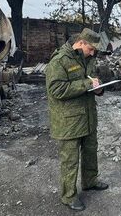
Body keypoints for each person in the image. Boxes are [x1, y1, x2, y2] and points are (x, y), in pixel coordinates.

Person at [45, 28, 109, 211]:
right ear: (81, 43)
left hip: (88, 116)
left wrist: (99, 88)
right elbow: (56, 90)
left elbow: (92, 80)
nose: (93, 53)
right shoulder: (60, 61)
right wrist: (87, 84)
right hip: (69, 121)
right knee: (70, 159)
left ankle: (90, 181)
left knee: (90, 151)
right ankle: (68, 195)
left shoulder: (88, 58)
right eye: (91, 49)